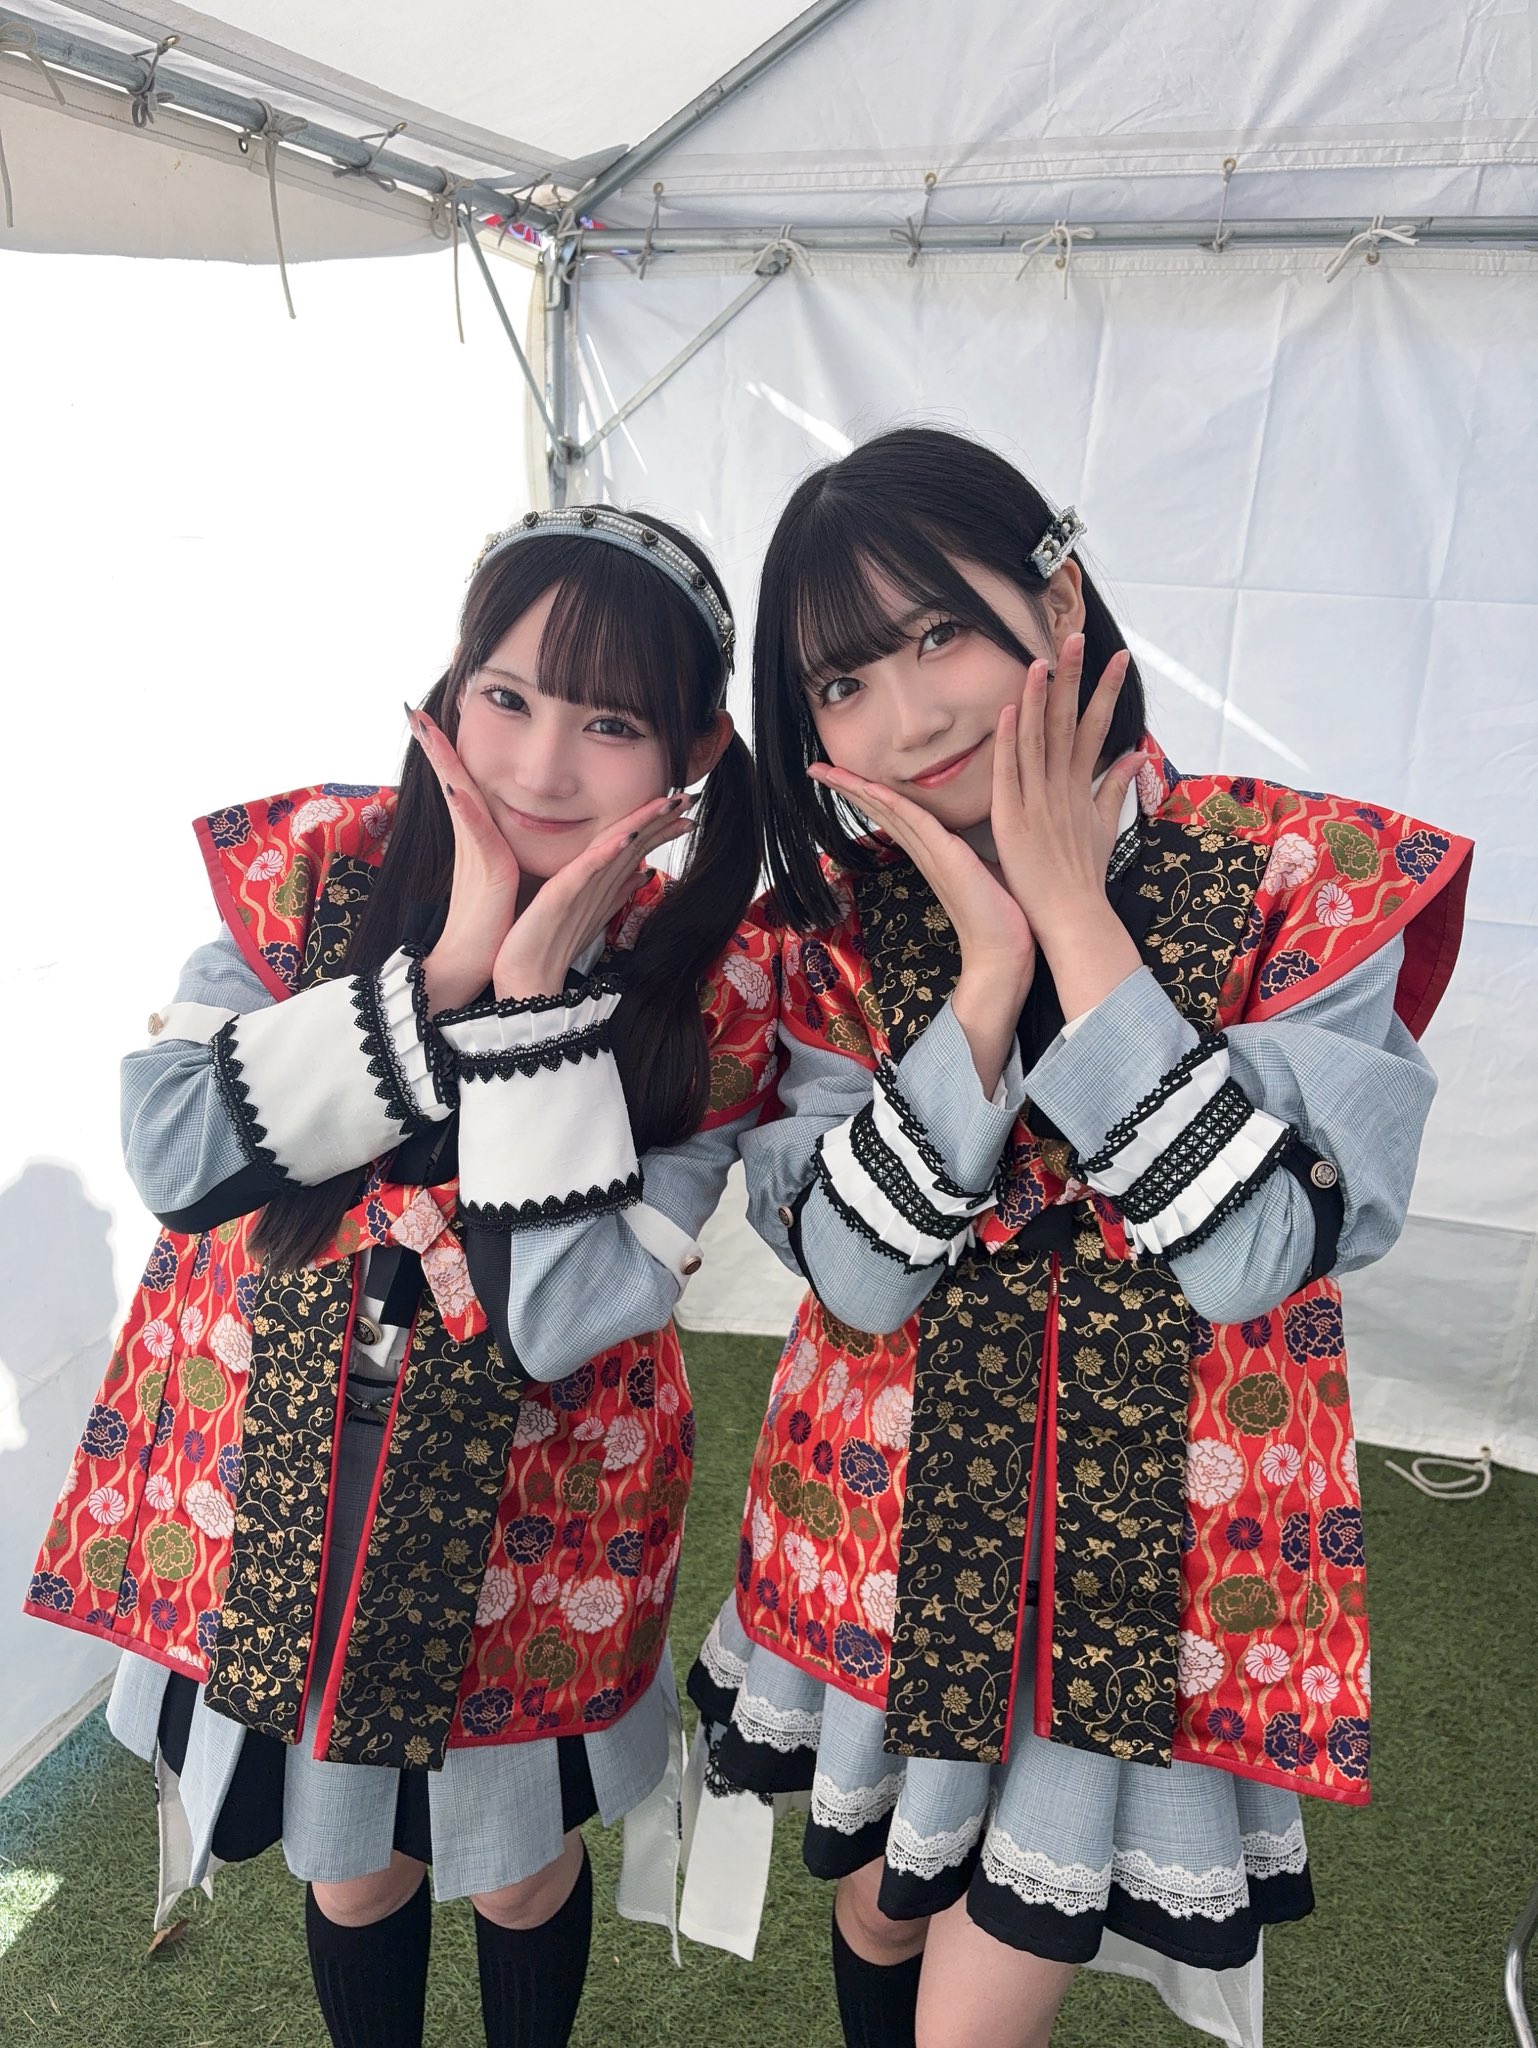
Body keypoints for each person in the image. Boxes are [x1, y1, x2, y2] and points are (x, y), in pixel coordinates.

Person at [679, 427, 1472, 2048]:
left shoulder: (1308, 878)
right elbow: (857, 1280)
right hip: (886, 1526)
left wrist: (1069, 912)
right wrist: (986, 972)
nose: (911, 715)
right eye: (843, 683)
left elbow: (1250, 1255)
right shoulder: (822, 940)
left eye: (937, 634)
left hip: (1144, 1562)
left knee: (981, 1994)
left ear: (1056, 601)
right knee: (877, 1901)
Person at [26, 505, 779, 2048]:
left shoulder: (714, 991)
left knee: (517, 1869)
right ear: (451, 688)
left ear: (693, 752)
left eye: (608, 723)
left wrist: (528, 999)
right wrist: (439, 973)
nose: (540, 764)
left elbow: (554, 1319)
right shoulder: (308, 872)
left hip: (528, 1516)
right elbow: (177, 1156)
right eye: (506, 696)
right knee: (352, 1868)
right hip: (280, 1496)